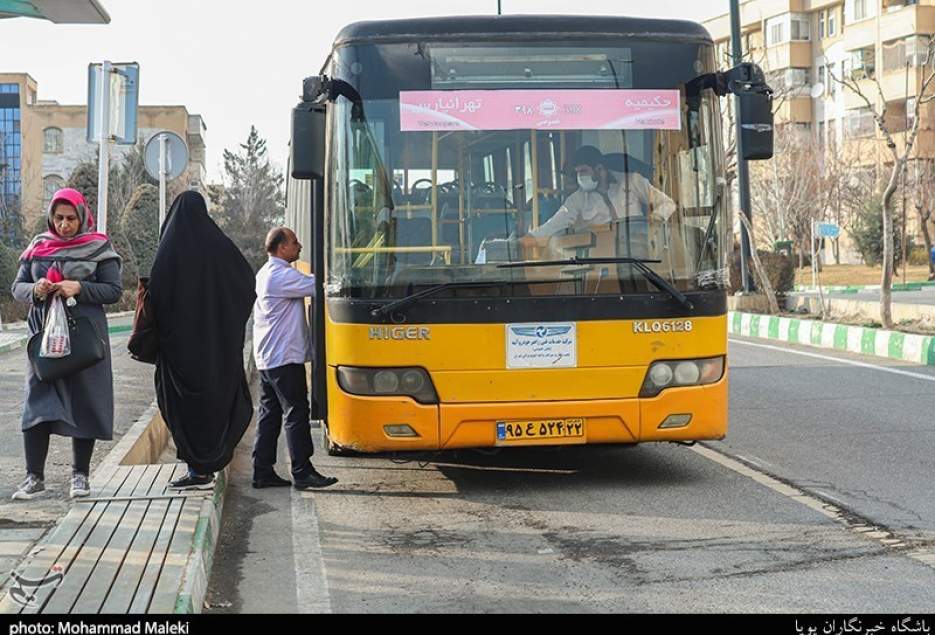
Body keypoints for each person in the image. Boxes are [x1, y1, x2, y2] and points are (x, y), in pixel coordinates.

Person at [11, 188, 122, 500]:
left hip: (84, 338)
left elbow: (113, 290)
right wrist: (37, 288)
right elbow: (17, 288)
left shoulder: (99, 247)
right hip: (44, 338)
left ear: (82, 216)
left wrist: (79, 287)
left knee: (84, 401)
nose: (64, 224)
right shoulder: (38, 247)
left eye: (71, 218)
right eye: (59, 218)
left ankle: (80, 476)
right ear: (51, 217)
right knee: (37, 402)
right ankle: (34, 477)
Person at [147, 191, 256, 489]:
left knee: (182, 408)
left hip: (179, 351)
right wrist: (226, 324)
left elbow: (155, 297)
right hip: (216, 350)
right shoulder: (219, 246)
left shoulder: (169, 250)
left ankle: (198, 469)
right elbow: (247, 284)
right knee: (215, 404)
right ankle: (209, 463)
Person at [252, 227, 337, 490]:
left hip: (269, 358)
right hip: (284, 358)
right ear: (281, 248)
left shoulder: (265, 272)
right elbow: (318, 286)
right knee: (296, 412)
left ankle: (262, 471)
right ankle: (302, 471)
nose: (299, 246)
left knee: (270, 414)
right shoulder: (280, 276)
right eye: (294, 242)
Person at [520, 145, 677, 248]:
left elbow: (668, 204)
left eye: (583, 171)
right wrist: (526, 240)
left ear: (600, 168)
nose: (580, 177)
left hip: (641, 253)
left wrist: (654, 220)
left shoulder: (633, 181)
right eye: (577, 173)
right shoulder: (577, 200)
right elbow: (554, 225)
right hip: (603, 260)